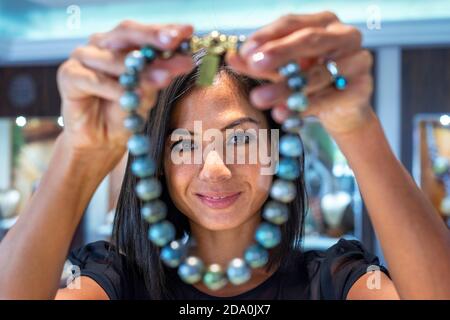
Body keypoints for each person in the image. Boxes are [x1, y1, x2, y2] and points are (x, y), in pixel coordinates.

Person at [0, 12, 449, 300]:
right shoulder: (115, 282)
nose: (215, 168)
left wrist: (358, 128)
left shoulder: (334, 282)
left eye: (240, 139)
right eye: (184, 144)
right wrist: (77, 152)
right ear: (157, 158)